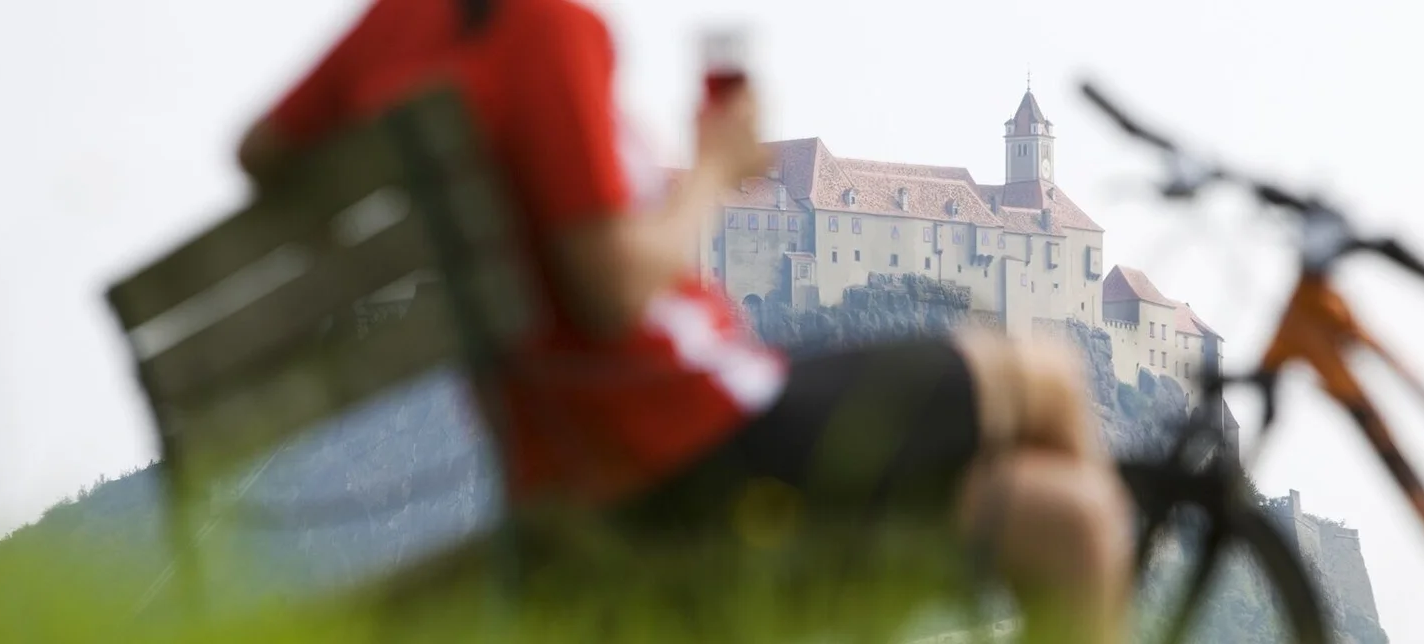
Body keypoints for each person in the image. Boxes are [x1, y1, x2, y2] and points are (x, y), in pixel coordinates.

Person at [235, 0, 1134, 641]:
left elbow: (262, 150)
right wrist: (712, 166)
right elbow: (614, 285)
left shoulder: (402, 22)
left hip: (594, 440)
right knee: (1047, 376)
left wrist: (414, 205)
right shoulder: (543, 27)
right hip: (690, 434)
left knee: (1072, 520)